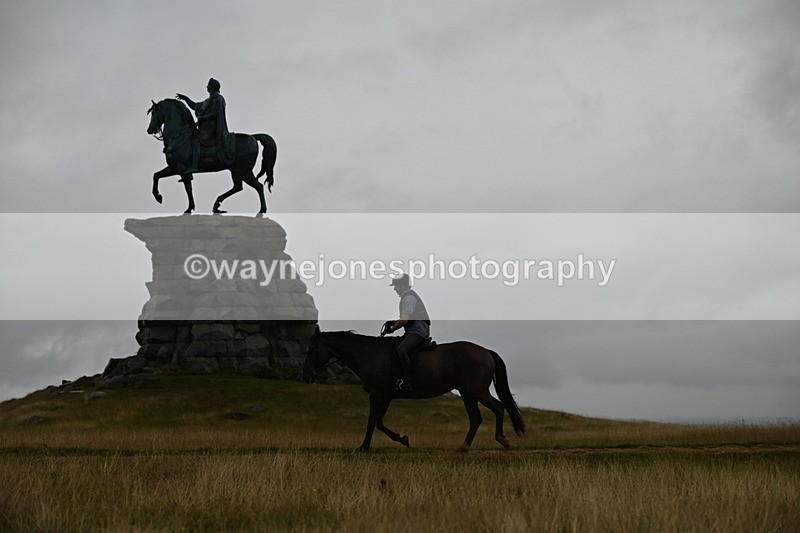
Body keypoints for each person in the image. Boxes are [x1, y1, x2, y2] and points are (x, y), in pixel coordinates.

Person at [381, 273, 431, 391]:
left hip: (418, 330)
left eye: (396, 286)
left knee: (401, 349)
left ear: (402, 286)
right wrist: (393, 323)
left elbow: (405, 319)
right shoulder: (407, 297)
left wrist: (392, 329)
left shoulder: (408, 297)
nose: (394, 289)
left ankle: (407, 382)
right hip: (414, 328)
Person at [175, 78, 235, 170]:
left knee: (196, 141)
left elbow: (214, 114)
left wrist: (202, 118)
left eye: (208, 85)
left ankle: (194, 166)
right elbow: (195, 106)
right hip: (205, 128)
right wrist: (185, 99)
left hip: (212, 129)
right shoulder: (208, 100)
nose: (207, 86)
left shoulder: (217, 98)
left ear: (212, 87)